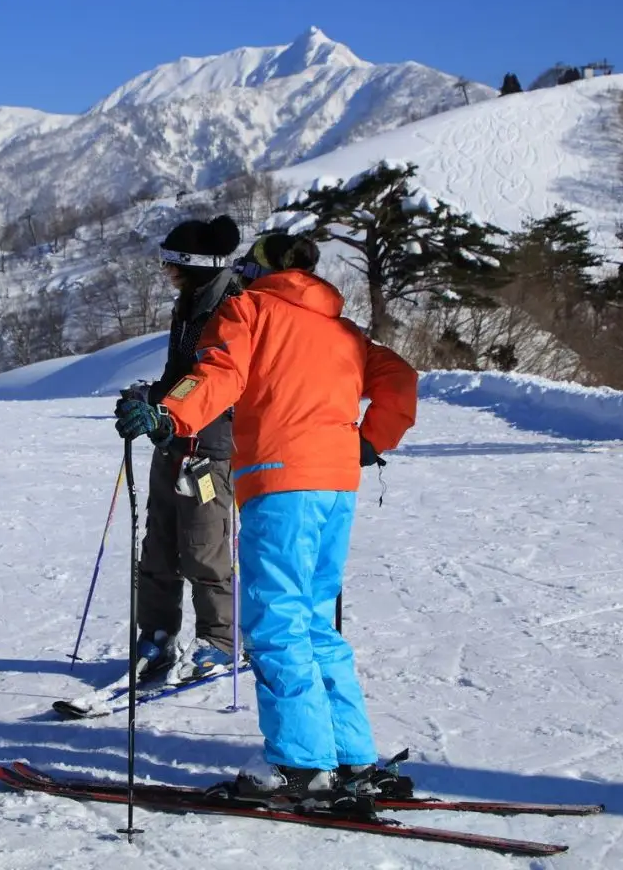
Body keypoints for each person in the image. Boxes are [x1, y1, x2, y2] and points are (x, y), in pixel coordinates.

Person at [114, 231, 418, 803]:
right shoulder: (342, 329)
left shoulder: (249, 310)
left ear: (258, 270)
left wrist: (166, 415)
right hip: (336, 485)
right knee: (313, 620)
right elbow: (400, 379)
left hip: (281, 480)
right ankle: (350, 757)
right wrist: (369, 439)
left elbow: (219, 373)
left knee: (276, 619)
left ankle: (300, 764)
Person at [131, 214, 243, 682]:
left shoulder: (233, 307)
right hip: (172, 435)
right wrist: (151, 398)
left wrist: (168, 407)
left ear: (193, 265)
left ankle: (220, 639)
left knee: (204, 546)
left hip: (210, 444)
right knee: (158, 545)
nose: (165, 271)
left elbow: (223, 382)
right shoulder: (188, 305)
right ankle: (156, 634)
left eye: (171, 264)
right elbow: (181, 376)